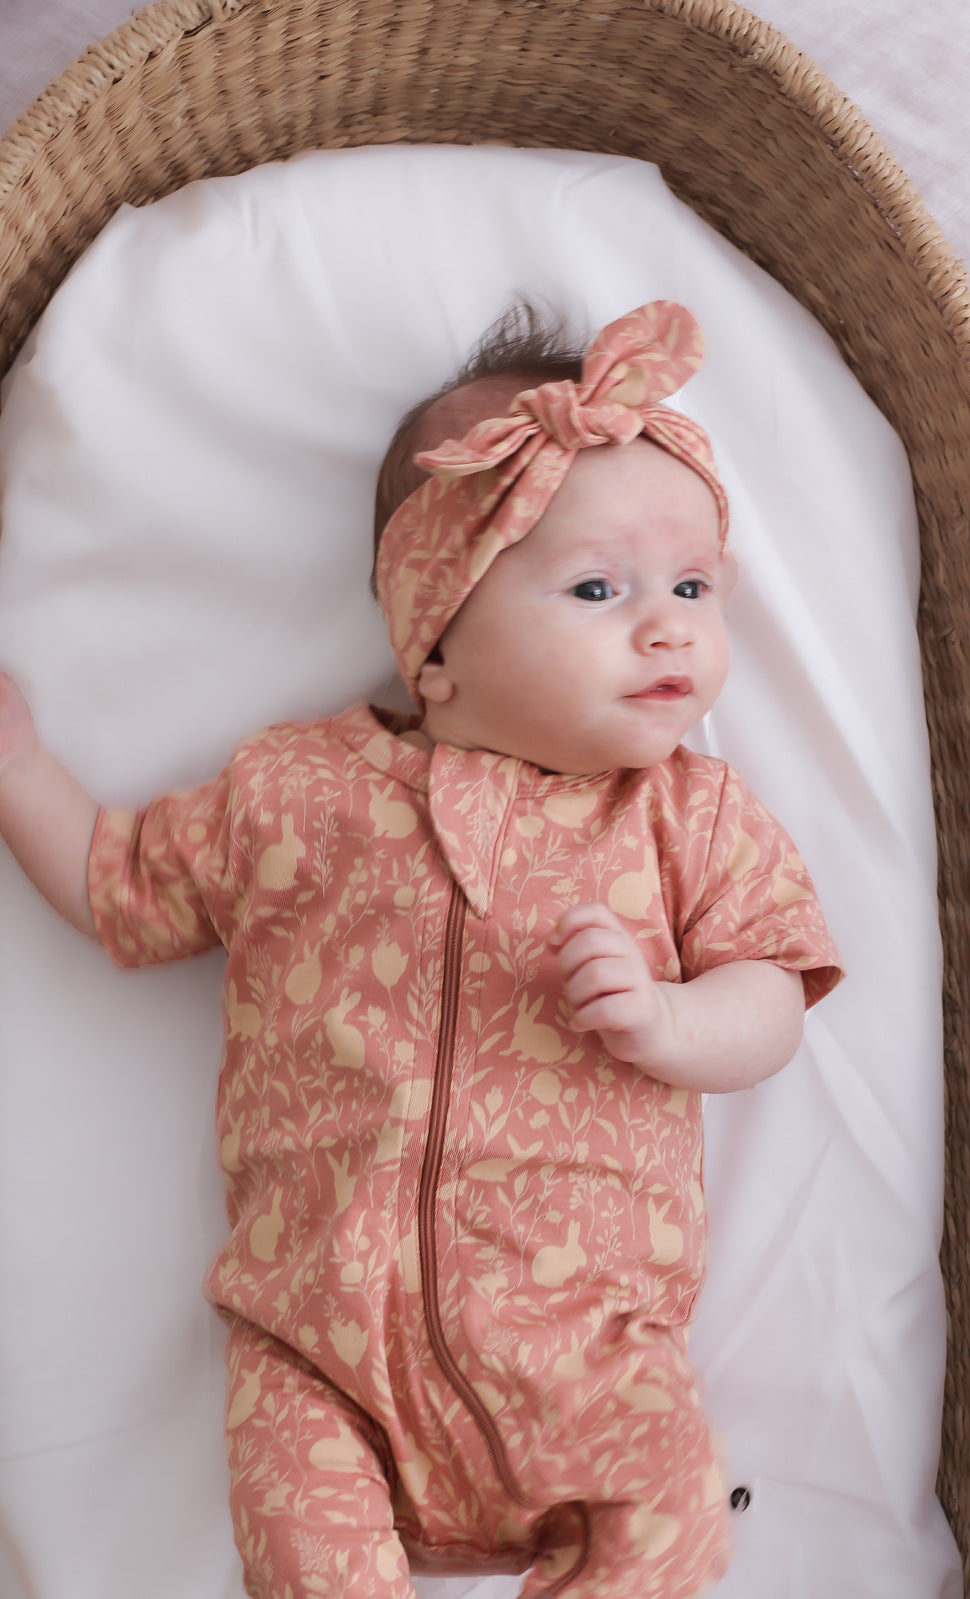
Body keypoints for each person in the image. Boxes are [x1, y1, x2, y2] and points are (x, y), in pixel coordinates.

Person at [0, 299, 841, 1598]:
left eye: (690, 587)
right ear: (433, 640)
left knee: (672, 1516)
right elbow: (119, 884)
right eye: (598, 589)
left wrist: (676, 1022)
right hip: (320, 1351)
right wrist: (18, 775)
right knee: (299, 1526)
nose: (668, 626)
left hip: (591, 1360)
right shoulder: (294, 793)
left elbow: (774, 995)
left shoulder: (686, 813)